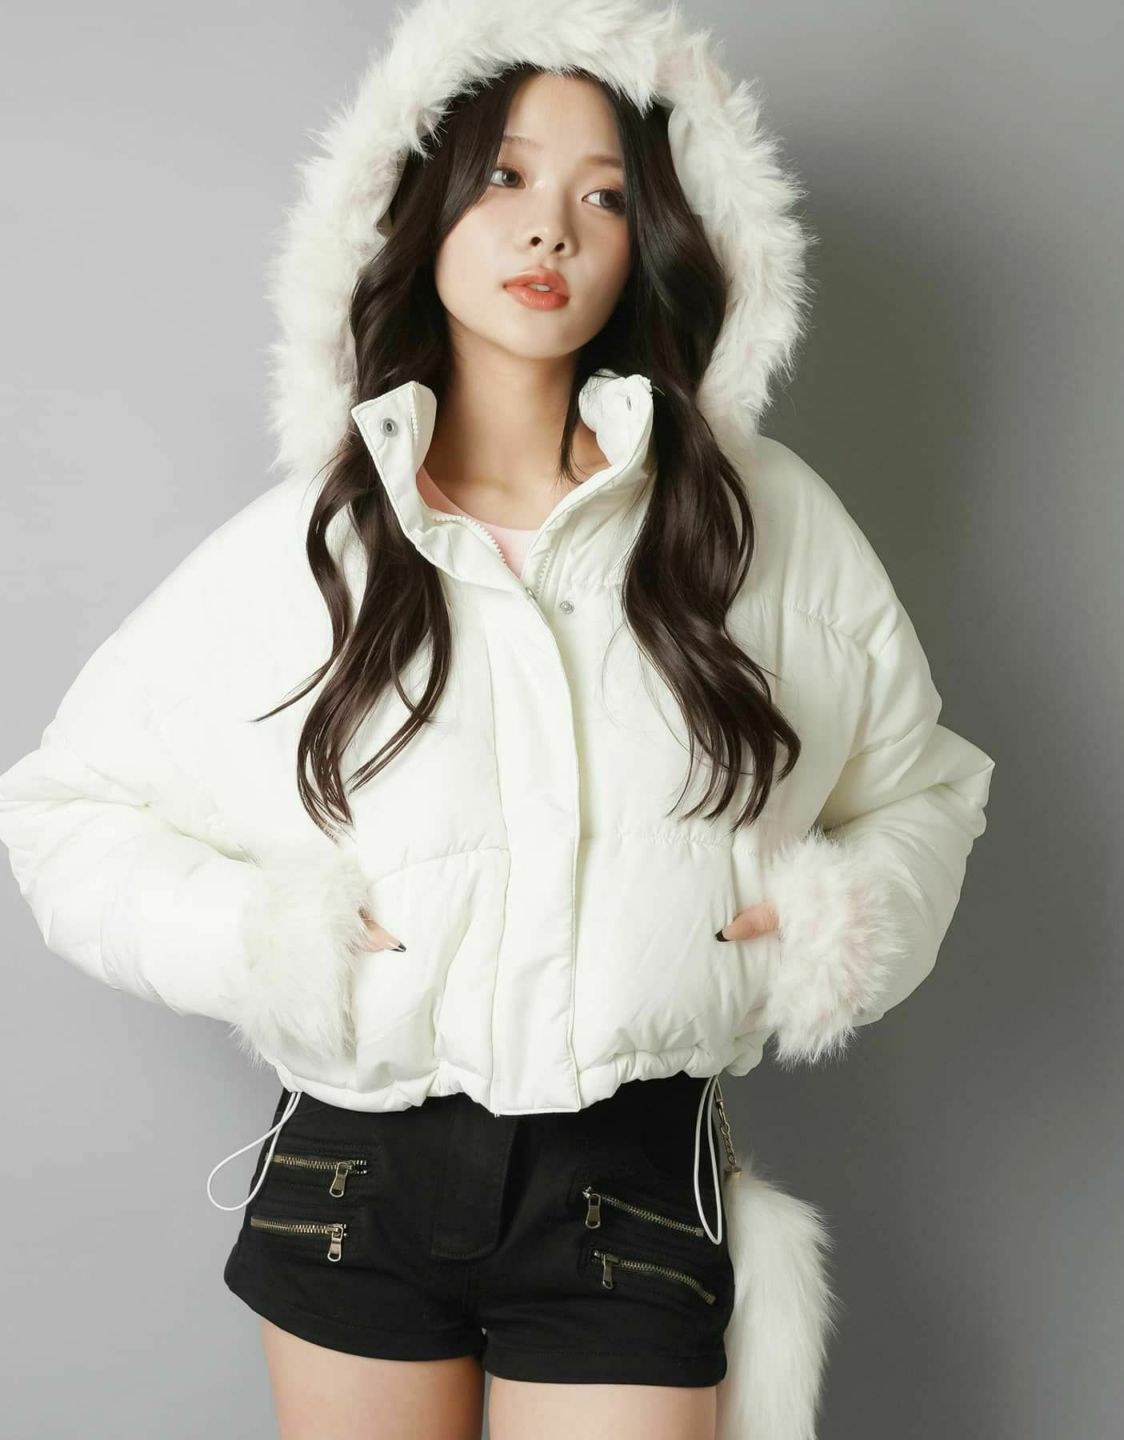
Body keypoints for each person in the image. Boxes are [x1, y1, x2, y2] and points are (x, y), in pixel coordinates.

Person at [0, 1, 997, 1437]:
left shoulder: (755, 523)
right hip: (357, 1184)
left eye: (606, 197)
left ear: (656, 237)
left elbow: (923, 791)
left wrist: (836, 922)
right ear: (418, 206)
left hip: (632, 1184)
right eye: (507, 178)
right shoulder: (316, 543)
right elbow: (64, 811)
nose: (551, 230)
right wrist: (260, 938)